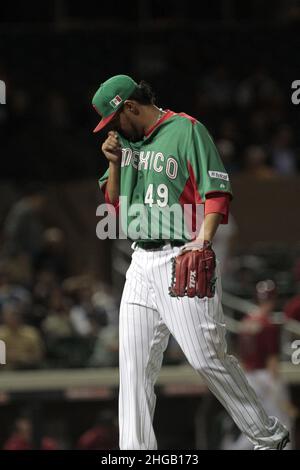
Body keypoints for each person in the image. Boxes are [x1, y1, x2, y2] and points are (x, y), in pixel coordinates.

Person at [92, 74, 289, 450]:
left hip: (180, 254)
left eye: (114, 120)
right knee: (133, 369)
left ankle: (269, 436)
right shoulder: (125, 146)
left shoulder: (187, 130)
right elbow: (114, 208)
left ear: (129, 107)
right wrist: (114, 163)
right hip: (140, 262)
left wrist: (203, 241)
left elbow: (216, 192)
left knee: (205, 359)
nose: (112, 130)